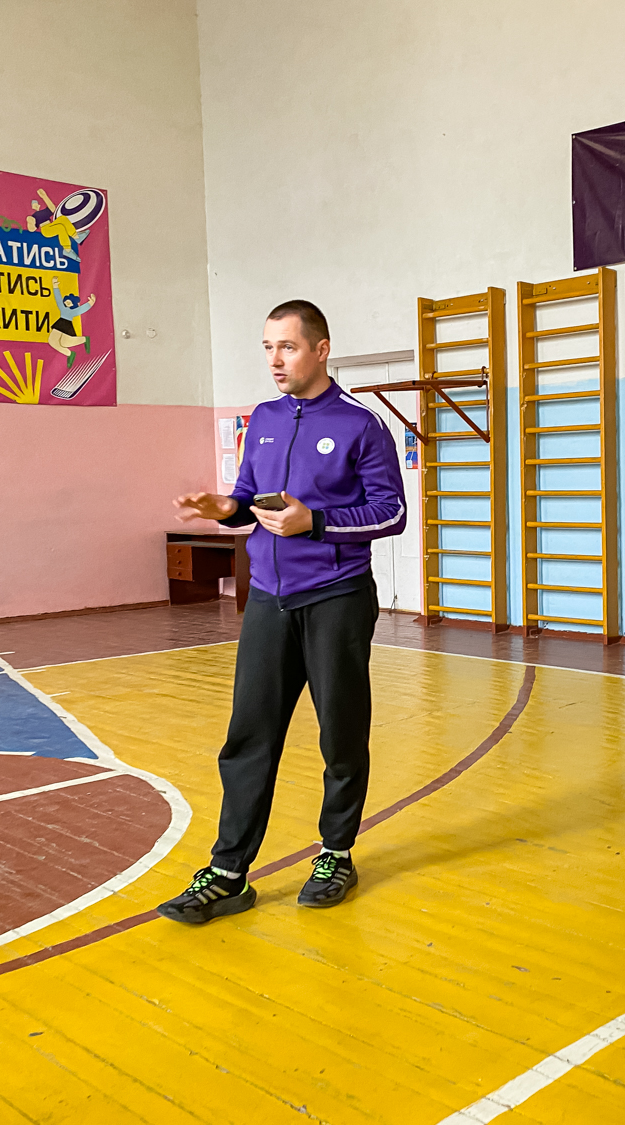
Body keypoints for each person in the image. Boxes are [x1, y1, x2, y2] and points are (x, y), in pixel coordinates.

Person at [157, 299, 406, 924]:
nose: (275, 359)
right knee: (249, 736)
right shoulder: (263, 419)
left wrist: (314, 522)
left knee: (340, 734)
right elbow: (249, 499)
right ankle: (228, 873)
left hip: (336, 598)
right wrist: (224, 508)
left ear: (321, 350)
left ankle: (336, 854)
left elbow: (392, 512)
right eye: (268, 347)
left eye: (287, 347)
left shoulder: (362, 425)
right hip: (268, 599)